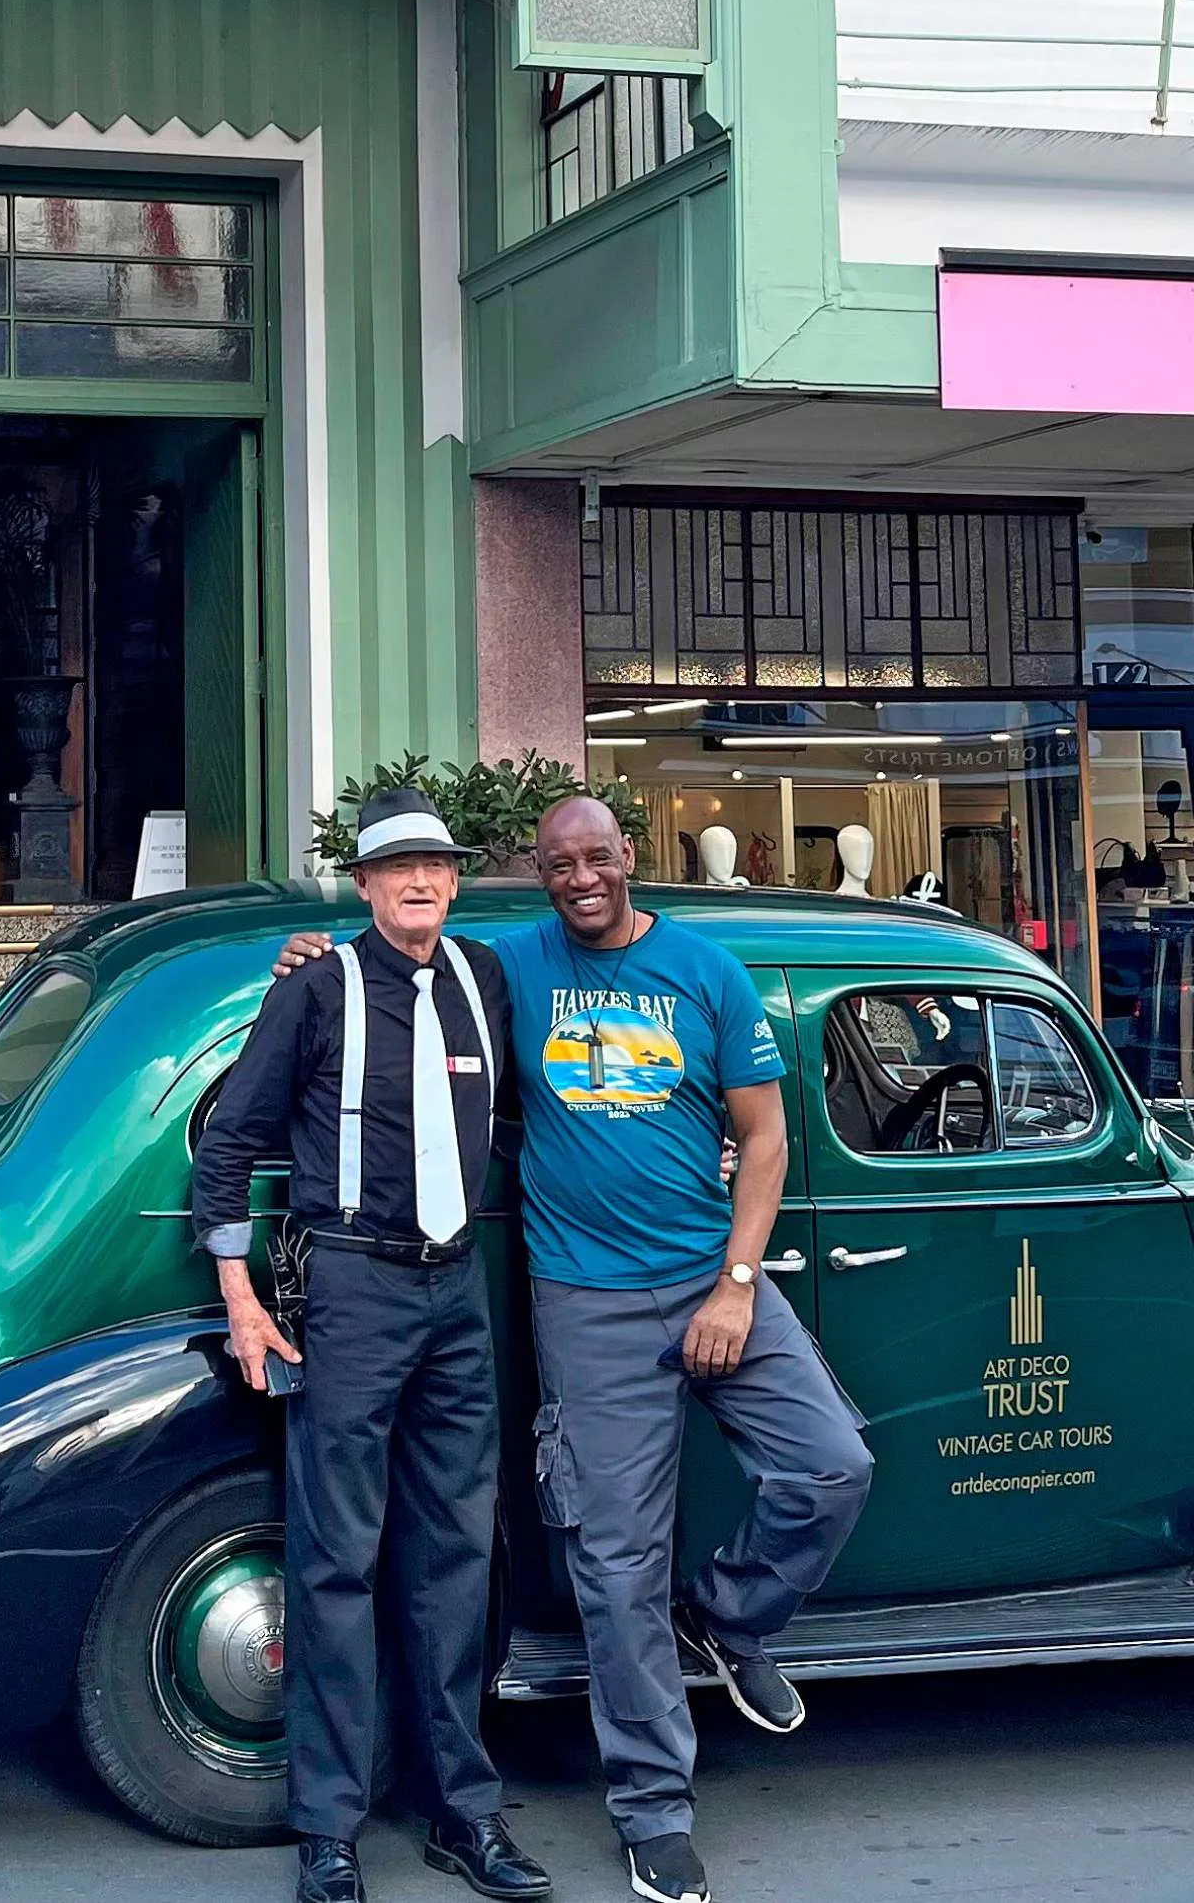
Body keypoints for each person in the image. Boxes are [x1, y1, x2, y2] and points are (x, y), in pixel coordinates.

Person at [275, 794, 874, 1903]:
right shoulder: (506, 969)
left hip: (713, 1276)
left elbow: (768, 1135)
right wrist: (315, 957)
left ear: (628, 856)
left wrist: (738, 1284)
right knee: (616, 1561)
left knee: (833, 1464)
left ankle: (733, 1612)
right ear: (539, 873)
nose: (580, 876)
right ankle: (654, 1809)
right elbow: (399, 976)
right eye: (559, 863)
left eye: (597, 856)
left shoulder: (709, 969)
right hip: (585, 1298)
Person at [192, 787, 552, 1903]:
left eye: (437, 866)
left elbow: (558, 1092)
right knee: (335, 1558)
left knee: (455, 1555)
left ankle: (464, 1812)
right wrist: (242, 1296)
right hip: (350, 1283)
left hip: (458, 1290)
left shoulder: (486, 980)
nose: (420, 882)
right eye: (398, 868)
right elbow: (227, 1140)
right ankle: (331, 1829)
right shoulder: (316, 987)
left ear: (455, 878)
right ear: (362, 884)